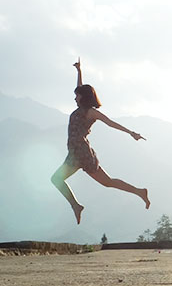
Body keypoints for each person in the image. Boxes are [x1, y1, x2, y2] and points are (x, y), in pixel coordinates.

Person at [51, 58, 150, 224]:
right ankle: (140, 192)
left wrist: (131, 133)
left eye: (77, 95)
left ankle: (76, 206)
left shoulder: (91, 112)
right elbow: (81, 87)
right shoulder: (80, 108)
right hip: (75, 152)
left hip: (81, 153)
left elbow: (110, 123)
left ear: (83, 97)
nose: (75, 98)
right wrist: (79, 72)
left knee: (59, 179)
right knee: (107, 182)